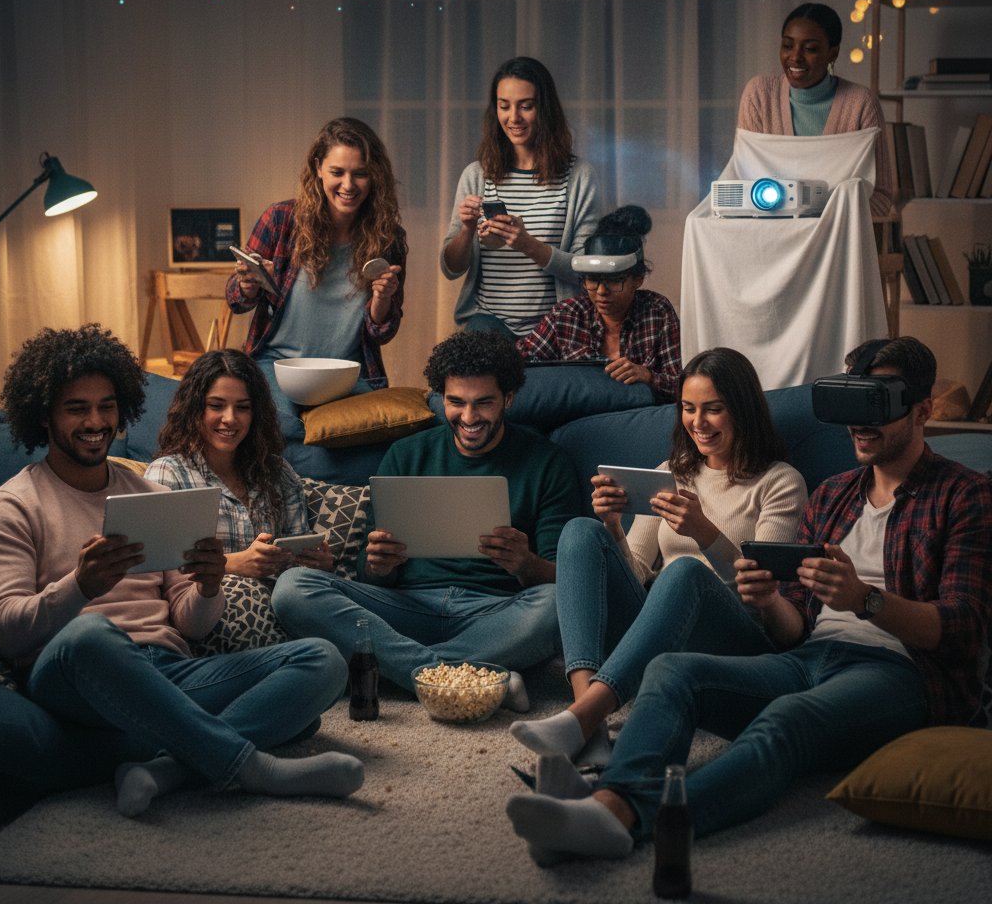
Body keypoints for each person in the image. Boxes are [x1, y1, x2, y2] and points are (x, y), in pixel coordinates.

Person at [506, 336, 992, 862]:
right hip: (806, 655)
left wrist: (864, 600)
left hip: (899, 671)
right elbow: (791, 630)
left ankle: (624, 816)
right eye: (851, 403)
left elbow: (963, 629)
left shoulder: (965, 495)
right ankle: (603, 792)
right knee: (672, 671)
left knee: (785, 720)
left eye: (878, 404)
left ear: (922, 410)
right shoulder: (834, 495)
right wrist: (766, 599)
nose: (859, 422)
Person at [0, 324, 364, 818]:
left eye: (106, 405)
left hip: (168, 669)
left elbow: (190, 623)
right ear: (44, 416)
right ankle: (254, 766)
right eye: (77, 408)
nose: (95, 421)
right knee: (92, 631)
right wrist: (80, 586)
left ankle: (162, 766)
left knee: (322, 660)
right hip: (75, 672)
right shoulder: (11, 506)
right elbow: (5, 632)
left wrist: (209, 584)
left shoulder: (151, 497)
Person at [510, 347, 806, 766]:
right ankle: (587, 723)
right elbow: (635, 570)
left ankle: (586, 716)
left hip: (736, 639)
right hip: (658, 630)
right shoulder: (674, 471)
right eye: (688, 408)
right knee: (581, 530)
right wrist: (613, 524)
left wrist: (704, 532)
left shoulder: (779, 483)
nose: (698, 423)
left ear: (743, 410)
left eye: (713, 409)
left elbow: (762, 591)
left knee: (683, 571)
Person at [272, 330, 583, 709]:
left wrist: (527, 564)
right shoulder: (406, 455)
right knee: (293, 588)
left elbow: (563, 577)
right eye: (456, 402)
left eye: (484, 403)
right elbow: (367, 573)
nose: (469, 417)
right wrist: (378, 565)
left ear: (509, 398)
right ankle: (466, 675)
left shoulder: (547, 463)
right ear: (441, 399)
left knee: (557, 605)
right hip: (405, 608)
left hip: (495, 612)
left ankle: (400, 668)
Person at [225, 117, 407, 427]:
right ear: (318, 168)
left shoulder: (388, 237)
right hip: (277, 367)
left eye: (360, 174)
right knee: (281, 428)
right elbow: (235, 300)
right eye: (337, 172)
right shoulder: (280, 219)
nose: (348, 185)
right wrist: (248, 283)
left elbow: (382, 332)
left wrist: (382, 298)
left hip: (347, 372)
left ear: (374, 176)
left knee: (378, 433)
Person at [145, 349, 333, 647]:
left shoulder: (278, 473)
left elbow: (297, 566)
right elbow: (156, 569)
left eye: (242, 407)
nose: (230, 419)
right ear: (195, 409)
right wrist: (231, 563)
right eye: (216, 406)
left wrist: (316, 562)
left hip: (287, 608)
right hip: (208, 618)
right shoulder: (168, 475)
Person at [441, 56, 600, 339]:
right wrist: (466, 229)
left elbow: (585, 270)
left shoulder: (579, 177)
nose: (513, 118)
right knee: (471, 369)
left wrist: (527, 244)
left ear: (545, 109)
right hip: (488, 322)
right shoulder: (477, 176)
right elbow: (451, 268)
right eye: (504, 106)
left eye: (526, 106)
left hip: (557, 324)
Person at [737, 1, 894, 219]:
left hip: (837, 242)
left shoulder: (861, 103)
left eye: (810, 48)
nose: (795, 57)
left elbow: (882, 195)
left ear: (833, 53)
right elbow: (746, 181)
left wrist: (829, 225)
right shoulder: (760, 95)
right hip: (772, 238)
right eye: (787, 45)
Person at [516, 205, 681, 399]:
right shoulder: (566, 315)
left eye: (614, 281)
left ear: (638, 279)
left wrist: (649, 377)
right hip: (580, 419)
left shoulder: (658, 312)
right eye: (593, 280)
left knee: (640, 394)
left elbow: (681, 386)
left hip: (637, 415)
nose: (602, 291)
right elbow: (516, 361)